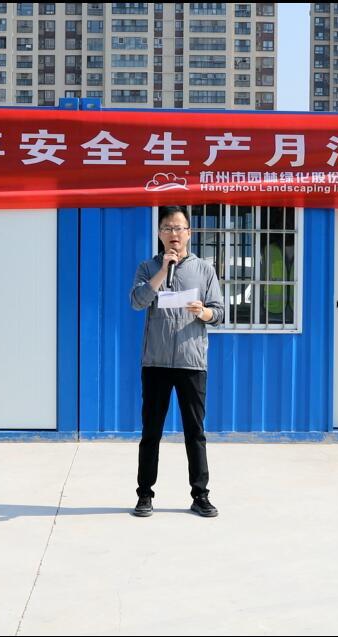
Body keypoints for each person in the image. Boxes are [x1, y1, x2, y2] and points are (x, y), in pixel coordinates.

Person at [129, 205, 225, 518]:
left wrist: (203, 312)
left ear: (189, 233)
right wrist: (162, 271)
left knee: (195, 432)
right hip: (156, 362)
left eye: (179, 228)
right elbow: (137, 302)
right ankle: (145, 495)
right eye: (168, 228)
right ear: (160, 233)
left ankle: (200, 495)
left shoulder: (204, 270)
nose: (174, 234)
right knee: (151, 432)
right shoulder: (148, 267)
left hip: (191, 362)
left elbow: (219, 313)